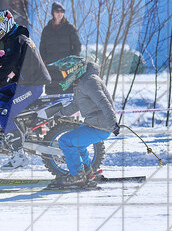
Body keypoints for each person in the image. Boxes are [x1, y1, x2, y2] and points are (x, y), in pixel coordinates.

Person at [0, 10, 52, 169]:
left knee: (6, 115)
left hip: (32, 87)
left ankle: (19, 156)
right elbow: (9, 59)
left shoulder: (17, 39)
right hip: (26, 84)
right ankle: (12, 133)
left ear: (2, 26)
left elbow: (8, 67)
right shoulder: (15, 38)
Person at [46, 56, 120, 190]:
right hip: (94, 123)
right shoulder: (83, 82)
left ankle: (77, 176)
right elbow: (76, 104)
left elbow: (104, 103)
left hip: (101, 126)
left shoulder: (89, 82)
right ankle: (87, 172)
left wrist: (113, 122)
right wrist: (60, 114)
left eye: (66, 72)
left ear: (75, 70)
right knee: (78, 144)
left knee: (65, 141)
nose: (64, 76)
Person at [40, 2, 82, 93]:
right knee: (51, 91)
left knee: (67, 90)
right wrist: (44, 60)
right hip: (51, 65)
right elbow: (42, 47)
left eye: (62, 11)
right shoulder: (46, 29)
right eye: (57, 11)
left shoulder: (70, 28)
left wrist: (72, 59)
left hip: (66, 66)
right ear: (53, 13)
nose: (60, 14)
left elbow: (77, 46)